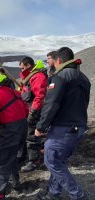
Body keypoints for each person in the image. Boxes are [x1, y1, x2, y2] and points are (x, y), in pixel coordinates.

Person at [35, 47, 90, 200]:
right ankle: (53, 194)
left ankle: (78, 196)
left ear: (58, 60)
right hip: (79, 126)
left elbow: (51, 103)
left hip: (63, 128)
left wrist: (41, 126)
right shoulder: (84, 78)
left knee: (51, 160)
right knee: (59, 161)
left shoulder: (60, 77)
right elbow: (84, 103)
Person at [19, 57, 48, 172]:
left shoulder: (38, 77)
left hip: (35, 111)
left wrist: (33, 112)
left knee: (31, 136)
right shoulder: (32, 77)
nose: (21, 70)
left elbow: (39, 96)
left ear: (28, 65)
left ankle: (34, 161)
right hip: (33, 109)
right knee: (35, 135)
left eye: (22, 68)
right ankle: (39, 157)